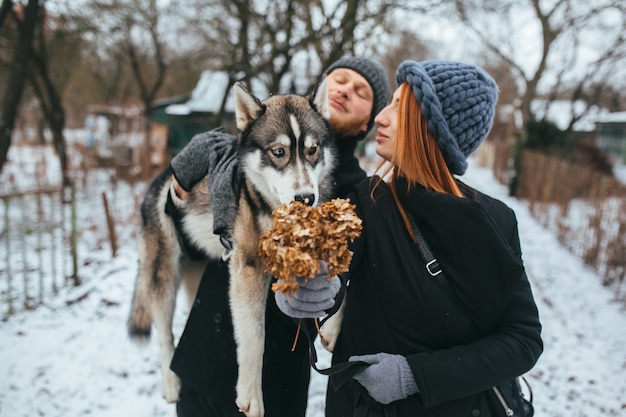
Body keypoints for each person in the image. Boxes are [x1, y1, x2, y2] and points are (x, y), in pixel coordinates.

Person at [275, 60, 543, 416]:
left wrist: (414, 376)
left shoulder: (496, 221)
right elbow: (332, 270)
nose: (381, 118)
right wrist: (307, 289)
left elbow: (522, 339)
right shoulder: (364, 202)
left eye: (400, 108)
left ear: (434, 128)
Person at [167, 56, 391, 417]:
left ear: (368, 119)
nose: (345, 90)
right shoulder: (251, 154)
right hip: (203, 357)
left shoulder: (363, 194)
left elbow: (353, 280)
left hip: (276, 379)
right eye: (341, 79)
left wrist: (329, 298)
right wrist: (179, 191)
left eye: (361, 91)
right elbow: (187, 237)